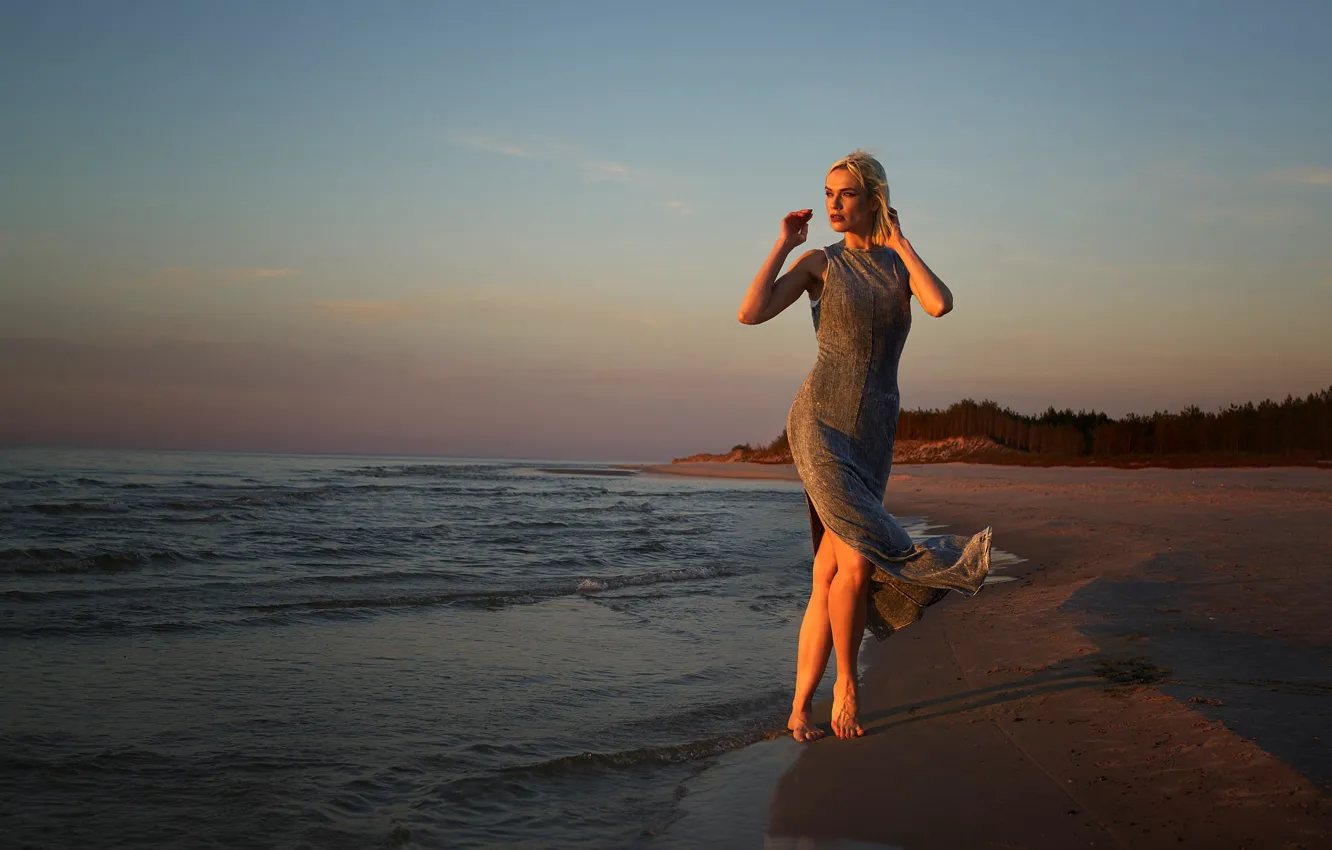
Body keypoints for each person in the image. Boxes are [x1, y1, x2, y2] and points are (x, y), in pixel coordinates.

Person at [737, 150, 992, 741]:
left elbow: (940, 302)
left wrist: (901, 242)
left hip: (875, 433)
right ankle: (847, 685)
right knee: (852, 557)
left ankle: (799, 705)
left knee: (828, 567)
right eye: (828, 193)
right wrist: (782, 244)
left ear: (873, 198)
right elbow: (750, 314)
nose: (832, 203)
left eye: (845, 194)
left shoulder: (898, 266)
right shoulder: (817, 264)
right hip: (820, 423)